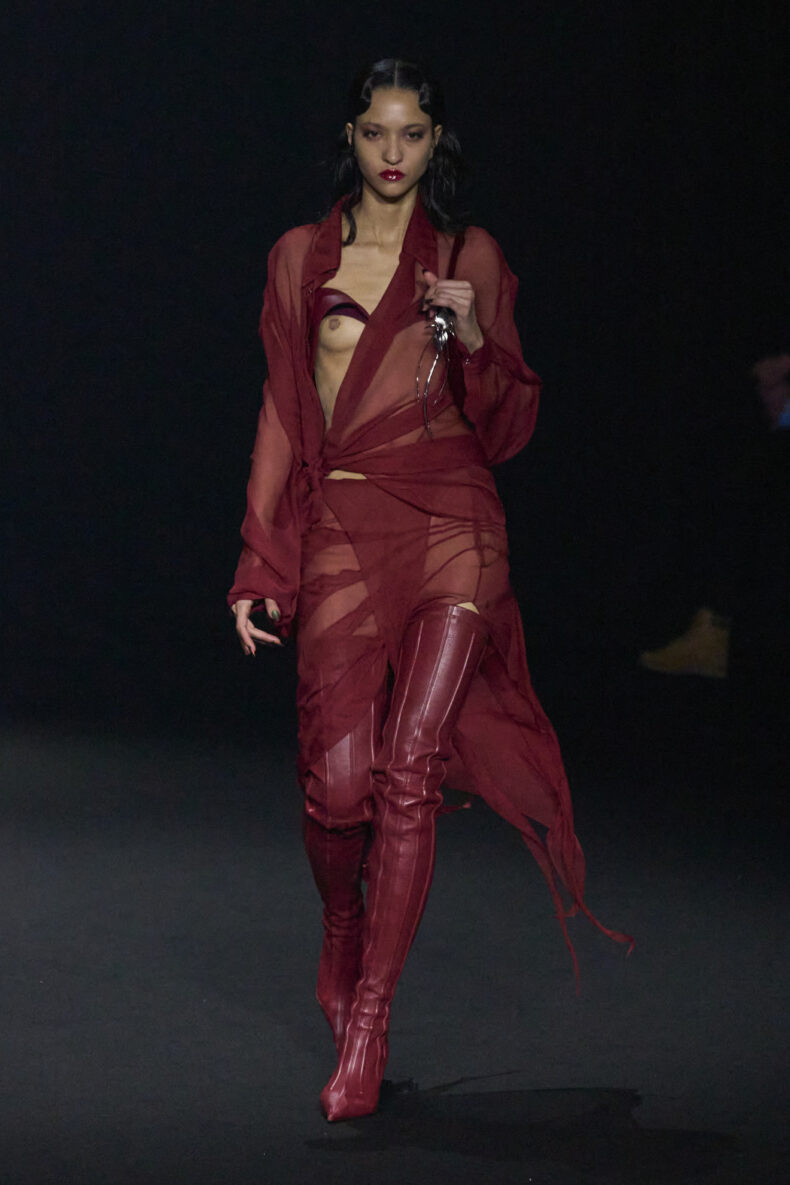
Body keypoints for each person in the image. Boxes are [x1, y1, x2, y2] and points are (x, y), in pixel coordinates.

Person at [228, 59, 631, 1122]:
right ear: (350, 138)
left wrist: (479, 336)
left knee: (409, 774)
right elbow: (284, 411)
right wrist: (261, 560)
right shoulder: (299, 258)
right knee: (338, 790)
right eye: (376, 132)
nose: (394, 152)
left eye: (413, 134)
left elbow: (504, 421)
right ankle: (342, 930)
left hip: (456, 524)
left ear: (437, 141)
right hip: (346, 527)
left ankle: (369, 1024)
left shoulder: (466, 253)